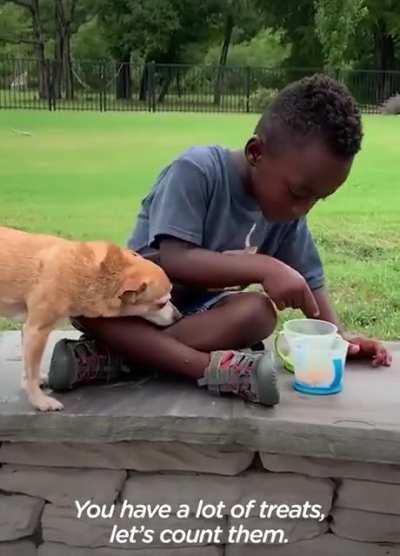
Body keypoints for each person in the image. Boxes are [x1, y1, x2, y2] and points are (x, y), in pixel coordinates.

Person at [48, 74, 391, 405]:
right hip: (135, 304)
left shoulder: (287, 215)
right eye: (299, 192)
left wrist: (338, 339)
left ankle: (117, 359)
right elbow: (174, 259)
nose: (303, 207)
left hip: (199, 319)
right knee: (74, 285)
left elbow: (310, 282)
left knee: (259, 313)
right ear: (256, 152)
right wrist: (263, 266)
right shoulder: (197, 171)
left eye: (318, 198)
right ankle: (209, 370)